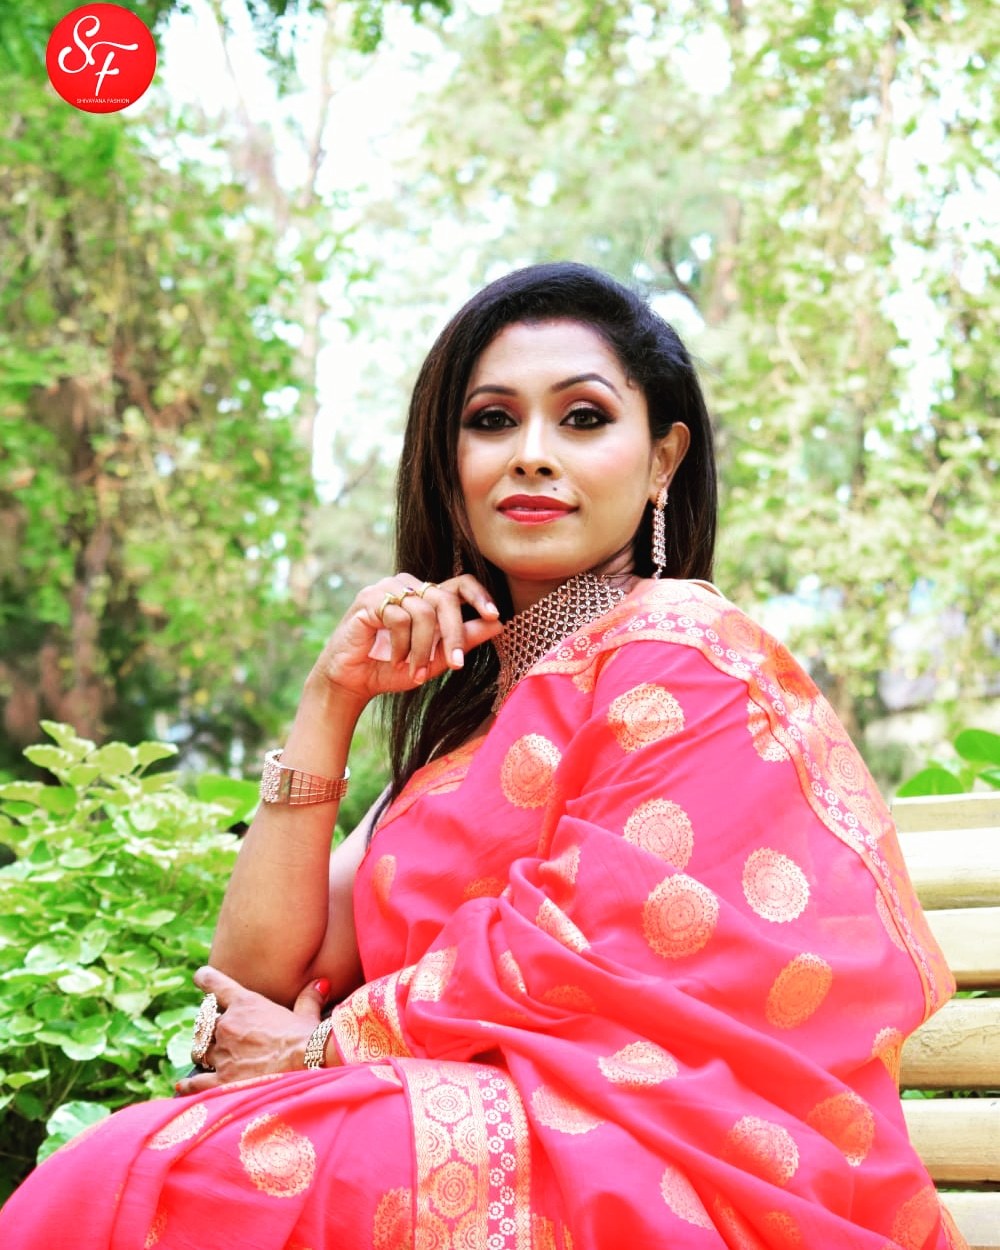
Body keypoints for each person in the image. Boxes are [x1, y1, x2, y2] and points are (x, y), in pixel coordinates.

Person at [0, 262, 963, 1250]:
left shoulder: (688, 654)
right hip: (473, 1125)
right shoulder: (464, 740)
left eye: (583, 419)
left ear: (662, 459)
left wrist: (325, 1046)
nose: (532, 456)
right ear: (449, 460)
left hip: (665, 1154)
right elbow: (253, 974)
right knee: (141, 1167)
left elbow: (572, 957)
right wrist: (329, 701)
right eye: (493, 421)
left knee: (164, 1175)